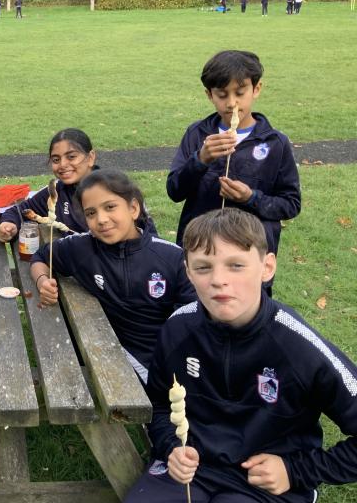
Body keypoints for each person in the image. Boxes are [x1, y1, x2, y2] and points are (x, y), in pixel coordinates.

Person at [124, 208, 357, 503]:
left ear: (267, 267)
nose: (218, 280)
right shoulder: (177, 330)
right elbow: (158, 404)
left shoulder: (299, 346)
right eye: (203, 267)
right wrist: (172, 446)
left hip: (263, 482)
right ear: (188, 272)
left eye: (236, 265)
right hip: (192, 471)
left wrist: (296, 470)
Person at [30, 169, 196, 383]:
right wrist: (42, 281)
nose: (101, 219)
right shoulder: (82, 248)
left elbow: (192, 321)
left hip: (168, 361)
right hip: (113, 356)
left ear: (133, 208)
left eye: (110, 207)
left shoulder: (173, 258)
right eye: (91, 213)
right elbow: (41, 257)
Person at [166, 50, 300, 294]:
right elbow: (174, 190)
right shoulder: (197, 135)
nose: (231, 103)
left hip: (249, 257)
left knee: (247, 312)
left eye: (240, 93)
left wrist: (251, 197)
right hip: (202, 253)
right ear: (209, 95)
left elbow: (290, 204)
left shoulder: (275, 143)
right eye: (222, 94)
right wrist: (200, 160)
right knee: (198, 309)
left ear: (256, 89)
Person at [0, 128, 99, 242]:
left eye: (71, 157)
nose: (62, 164)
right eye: (56, 159)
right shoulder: (56, 191)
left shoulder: (110, 190)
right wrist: (9, 224)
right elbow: (19, 211)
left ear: (90, 157)